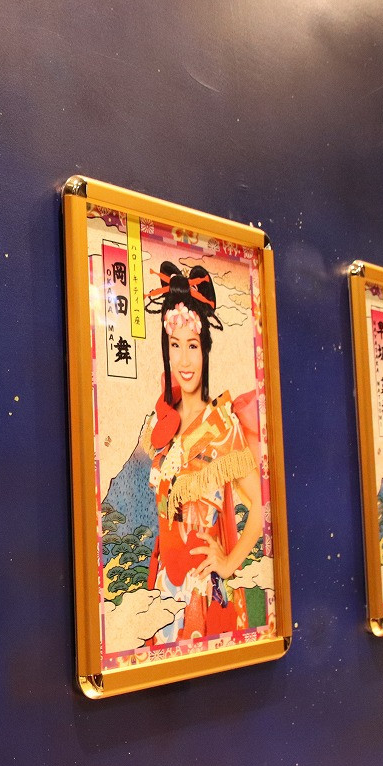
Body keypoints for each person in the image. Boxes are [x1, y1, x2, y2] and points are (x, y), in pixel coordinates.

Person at [139, 261, 264, 643]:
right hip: (165, 583)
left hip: (199, 584)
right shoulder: (162, 422)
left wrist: (228, 562)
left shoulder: (222, 426)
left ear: (205, 350)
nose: (184, 359)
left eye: (192, 346)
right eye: (175, 346)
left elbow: (260, 507)